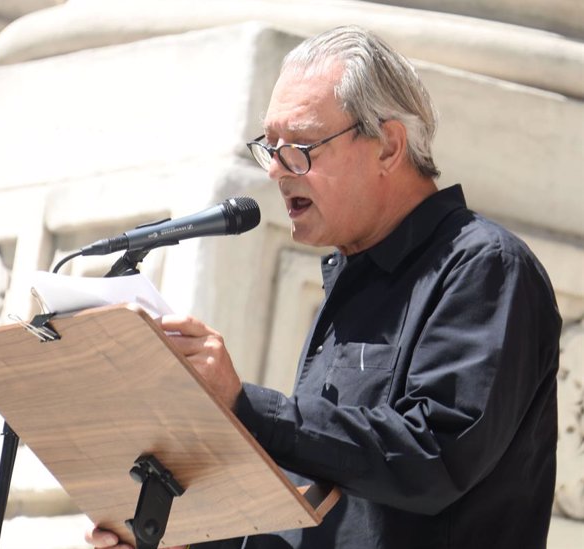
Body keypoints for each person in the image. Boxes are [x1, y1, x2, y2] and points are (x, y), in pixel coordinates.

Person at [87, 25, 561, 549]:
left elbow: (434, 459)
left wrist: (244, 406)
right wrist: (170, 540)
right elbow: (316, 518)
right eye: (269, 145)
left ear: (387, 146)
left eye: (301, 146)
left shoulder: (483, 267)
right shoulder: (351, 276)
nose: (274, 169)